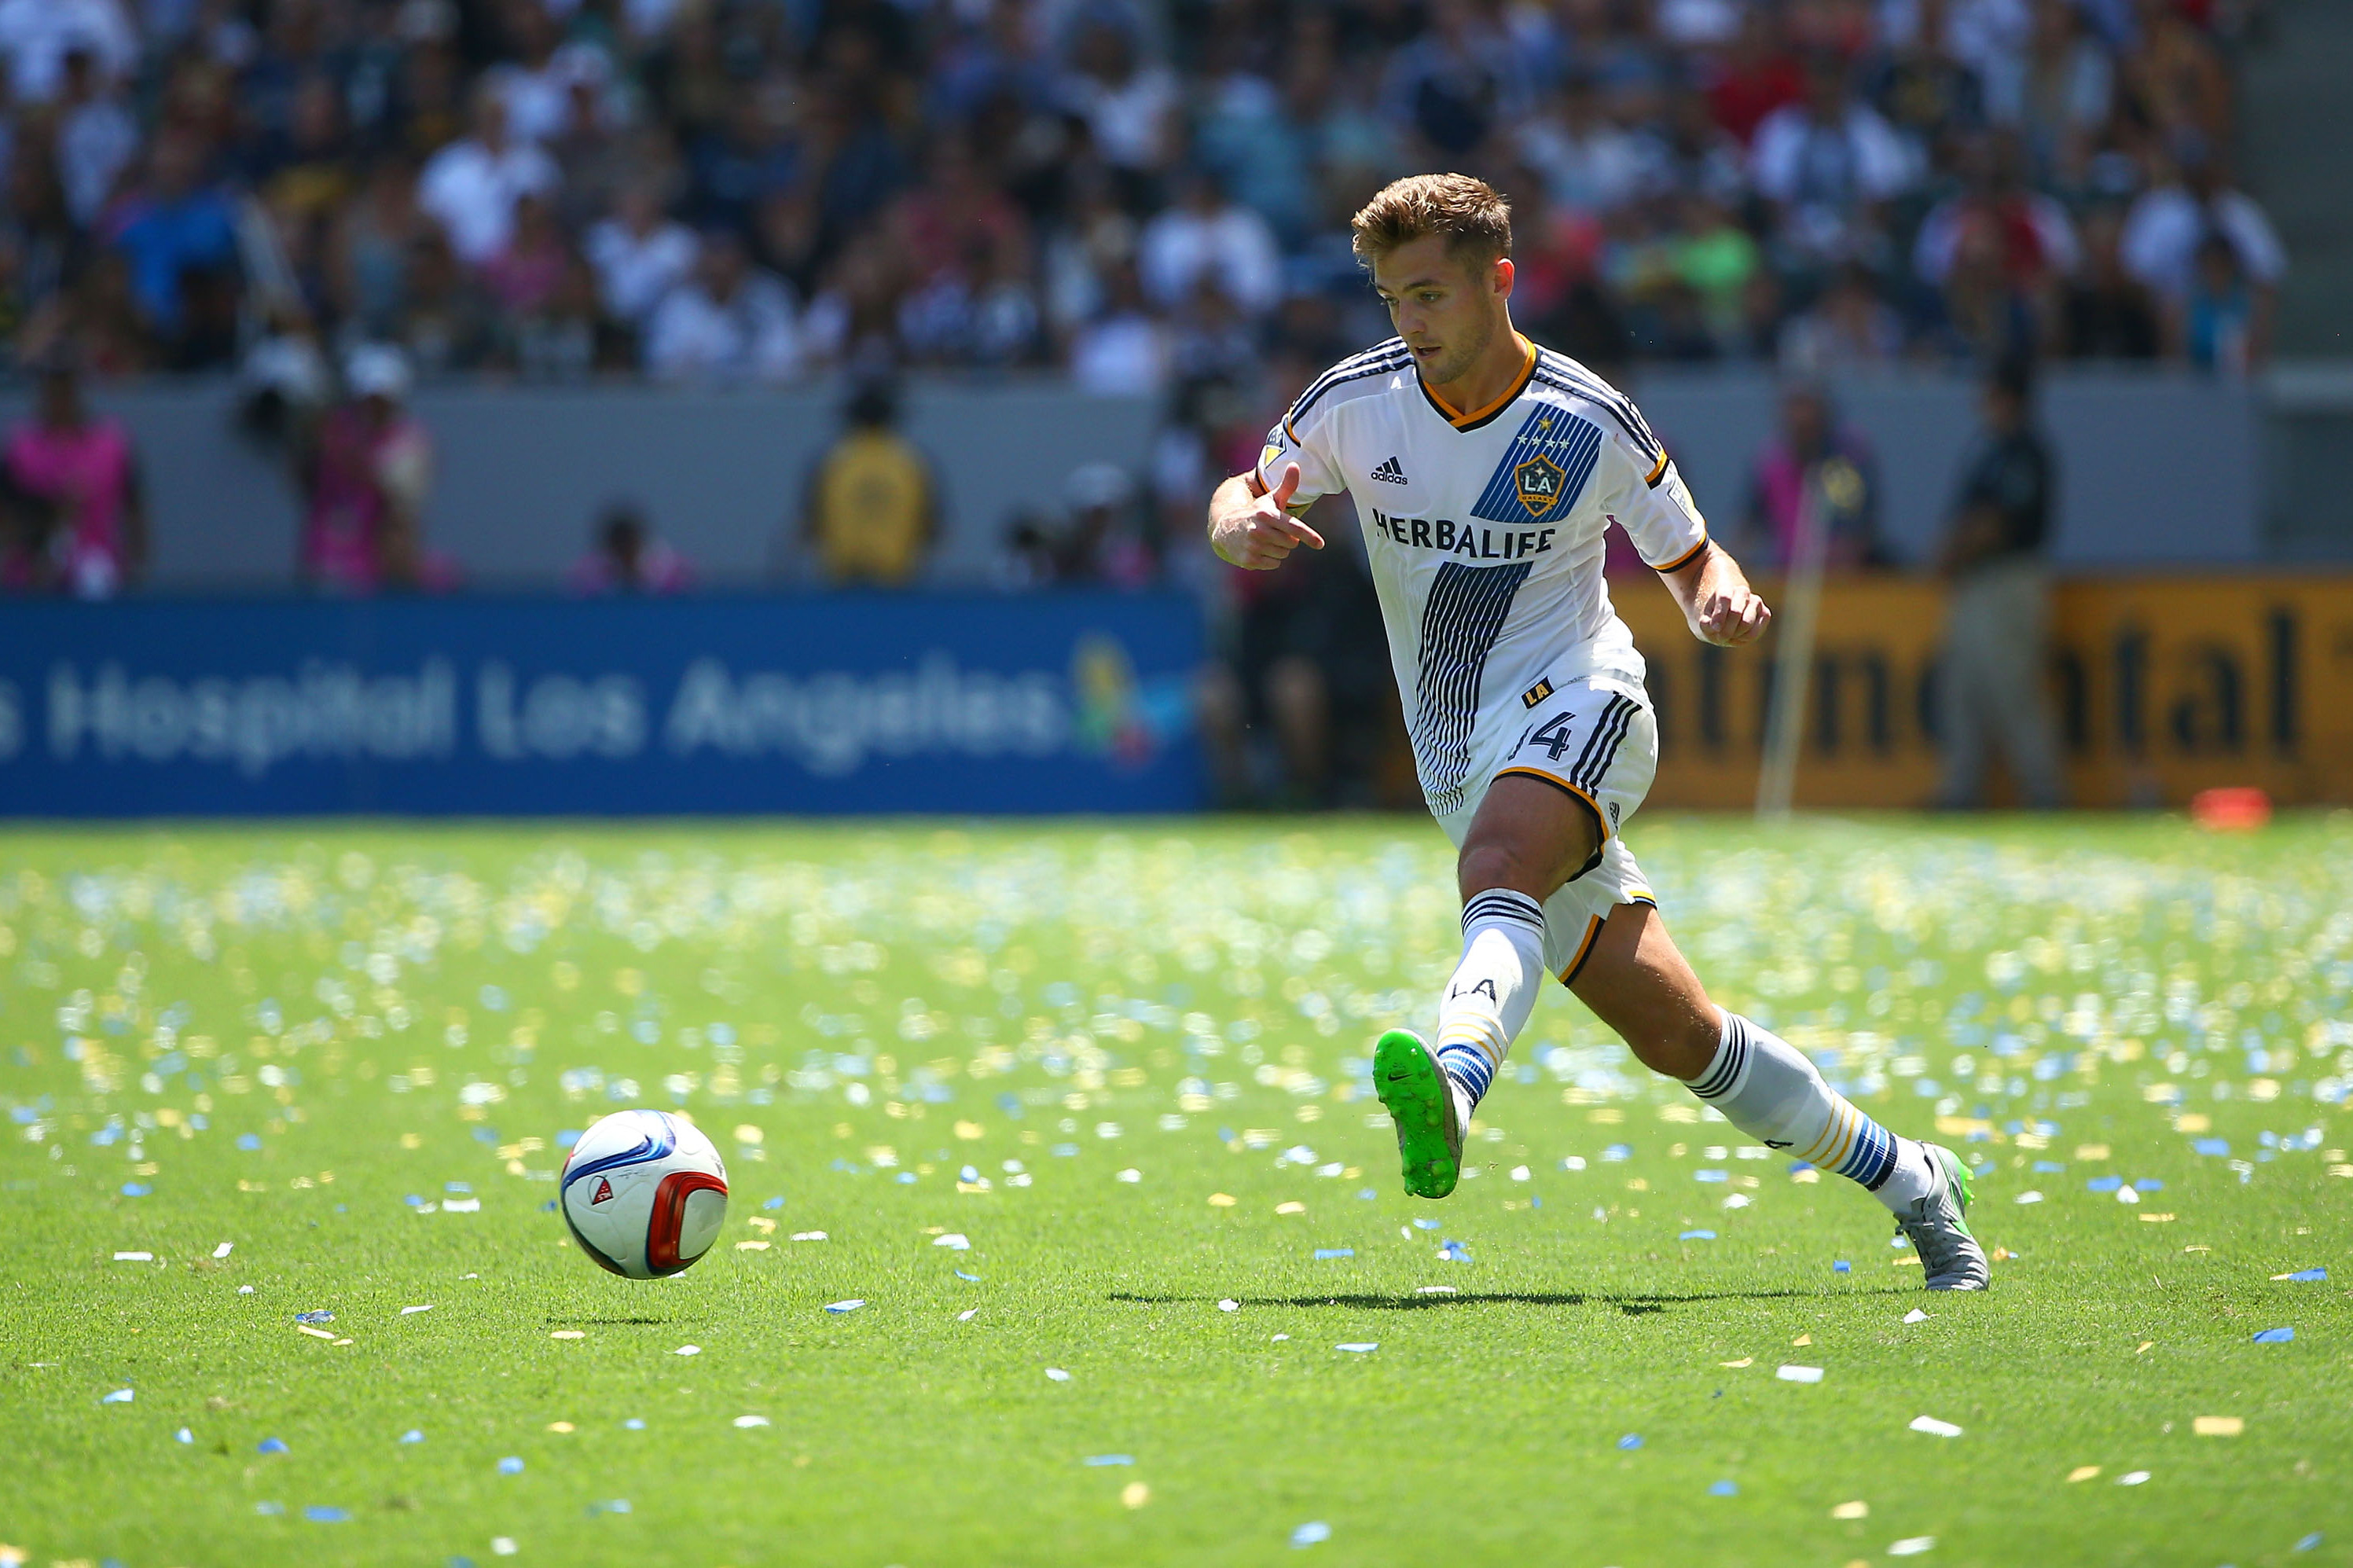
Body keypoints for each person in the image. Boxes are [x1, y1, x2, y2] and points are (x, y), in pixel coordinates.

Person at [1206, 173, 1986, 1289]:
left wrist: (1716, 596)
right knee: (1679, 1035)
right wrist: (1240, 522)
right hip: (1464, 758)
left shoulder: (1582, 415)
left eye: (1429, 295)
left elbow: (1690, 552)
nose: (1409, 323)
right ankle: (1912, 1176)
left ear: (1498, 281)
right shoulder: (1353, 401)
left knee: (1496, 864)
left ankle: (1454, 1079)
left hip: (1588, 703)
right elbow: (1243, 488)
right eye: (1391, 300)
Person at [1933, 354, 2064, 810]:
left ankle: (2044, 792)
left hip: (2009, 579)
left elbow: (1998, 523)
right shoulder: (1988, 447)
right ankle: (1961, 792)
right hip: (1976, 583)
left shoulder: (2025, 450)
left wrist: (1952, 552)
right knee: (1964, 690)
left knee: (2014, 689)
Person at [297, 344, 439, 593]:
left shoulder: (410, 441)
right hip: (326, 560)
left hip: (380, 568)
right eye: (368, 398)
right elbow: (305, 479)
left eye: (382, 399)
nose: (375, 407)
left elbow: (399, 497)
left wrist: (345, 452)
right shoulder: (332, 429)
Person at [2, 358, 145, 597]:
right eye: (53, 389)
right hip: (30, 568)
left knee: (94, 577)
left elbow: (134, 510)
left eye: (66, 387)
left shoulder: (112, 445)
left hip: (97, 567)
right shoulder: (20, 447)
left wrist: (138, 567)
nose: (60, 397)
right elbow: (5, 512)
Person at [799, 380, 935, 587]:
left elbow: (808, 525)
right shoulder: (911, 463)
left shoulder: (831, 463)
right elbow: (933, 528)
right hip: (897, 582)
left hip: (842, 581)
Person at [1742, 381, 1882, 570]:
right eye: (1795, 409)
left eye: (1808, 408)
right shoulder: (1770, 465)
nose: (1801, 418)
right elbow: (1746, 529)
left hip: (1842, 580)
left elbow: (1859, 531)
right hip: (1784, 575)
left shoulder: (1847, 463)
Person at [570, 502, 692, 593]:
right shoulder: (587, 573)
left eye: (629, 545)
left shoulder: (674, 568)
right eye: (620, 547)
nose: (625, 552)